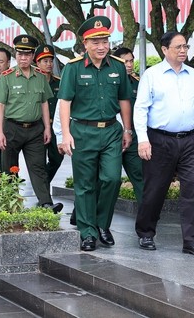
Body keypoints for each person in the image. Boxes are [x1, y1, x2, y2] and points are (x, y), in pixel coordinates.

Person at [133, 31, 194, 256]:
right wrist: (143, 140)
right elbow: (141, 109)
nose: (183, 51)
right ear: (164, 50)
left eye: (185, 47)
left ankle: (192, 241)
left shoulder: (192, 74)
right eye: (178, 47)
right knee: (155, 190)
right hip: (160, 140)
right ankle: (146, 233)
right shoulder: (152, 75)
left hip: (189, 140)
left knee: (192, 190)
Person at [58, 16, 133, 252]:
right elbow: (64, 102)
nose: (102, 46)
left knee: (111, 179)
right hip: (83, 131)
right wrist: (66, 134)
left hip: (111, 130)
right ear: (85, 43)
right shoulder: (73, 68)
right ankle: (88, 232)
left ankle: (103, 224)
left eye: (105, 41)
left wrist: (128, 129)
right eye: (96, 42)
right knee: (85, 185)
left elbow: (124, 99)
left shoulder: (118, 66)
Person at [0, 34, 62, 214]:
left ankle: (46, 202)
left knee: (38, 167)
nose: (23, 58)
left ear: (32, 56)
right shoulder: (7, 77)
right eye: (20, 54)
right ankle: (9, 203)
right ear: (16, 55)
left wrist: (47, 128)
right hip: (12, 128)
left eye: (27, 54)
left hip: (35, 129)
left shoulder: (40, 76)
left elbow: (44, 103)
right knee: (9, 168)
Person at [112, 47, 145, 204]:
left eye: (131, 61)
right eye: (126, 61)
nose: (130, 64)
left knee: (139, 174)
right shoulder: (109, 81)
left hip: (133, 135)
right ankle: (80, 213)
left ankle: (146, 216)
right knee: (108, 178)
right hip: (112, 135)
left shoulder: (138, 83)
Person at [34, 44, 64, 187]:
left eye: (51, 61)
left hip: (56, 127)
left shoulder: (60, 82)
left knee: (57, 159)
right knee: (38, 161)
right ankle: (44, 194)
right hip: (38, 127)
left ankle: (43, 185)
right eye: (45, 61)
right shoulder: (33, 82)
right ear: (37, 63)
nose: (49, 64)